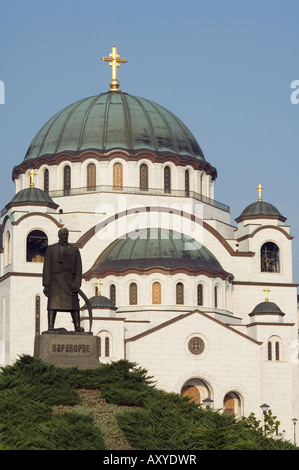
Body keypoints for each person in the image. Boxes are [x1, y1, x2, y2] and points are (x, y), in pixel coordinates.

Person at [42, 227, 84, 332]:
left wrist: (77, 283)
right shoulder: (51, 249)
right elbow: (47, 267)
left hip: (70, 280)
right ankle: (51, 326)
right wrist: (46, 284)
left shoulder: (74, 250)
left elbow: (79, 267)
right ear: (59, 236)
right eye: (63, 235)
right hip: (56, 280)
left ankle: (77, 326)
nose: (65, 236)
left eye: (66, 235)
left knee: (74, 305)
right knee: (53, 304)